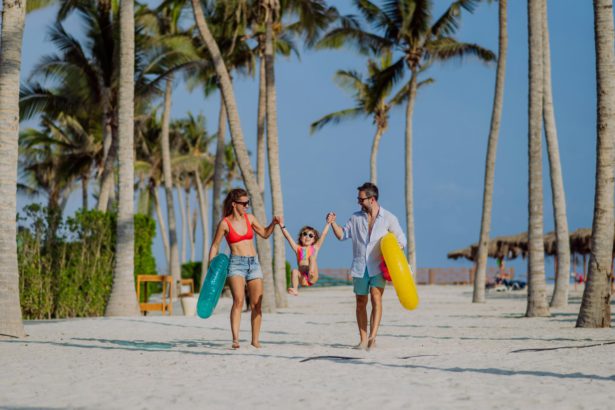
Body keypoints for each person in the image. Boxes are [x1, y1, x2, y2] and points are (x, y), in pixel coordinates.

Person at [330, 182, 406, 350]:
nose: (358, 202)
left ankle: (373, 337)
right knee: (360, 302)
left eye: (361, 199)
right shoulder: (355, 218)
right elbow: (342, 235)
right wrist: (332, 223)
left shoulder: (389, 218)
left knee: (376, 298)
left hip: (377, 266)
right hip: (359, 266)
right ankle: (363, 339)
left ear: (372, 199)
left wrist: (393, 252)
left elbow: (402, 240)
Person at [208, 188, 279, 349]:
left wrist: (273, 224)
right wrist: (212, 267)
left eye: (248, 203)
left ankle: (255, 340)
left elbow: (265, 234)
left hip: (253, 264)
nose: (247, 206)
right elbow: (215, 246)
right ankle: (235, 339)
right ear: (234, 204)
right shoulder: (225, 223)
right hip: (236, 264)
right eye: (244, 203)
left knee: (257, 304)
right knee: (239, 301)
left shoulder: (251, 218)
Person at [280, 213, 334, 296]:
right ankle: (295, 289)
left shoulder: (315, 248)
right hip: (303, 279)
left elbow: (323, 234)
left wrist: (328, 223)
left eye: (311, 235)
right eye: (305, 234)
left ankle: (310, 272)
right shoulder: (297, 248)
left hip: (312, 276)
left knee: (312, 257)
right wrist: (282, 225)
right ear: (301, 237)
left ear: (314, 239)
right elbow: (288, 237)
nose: (307, 237)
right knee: (294, 271)